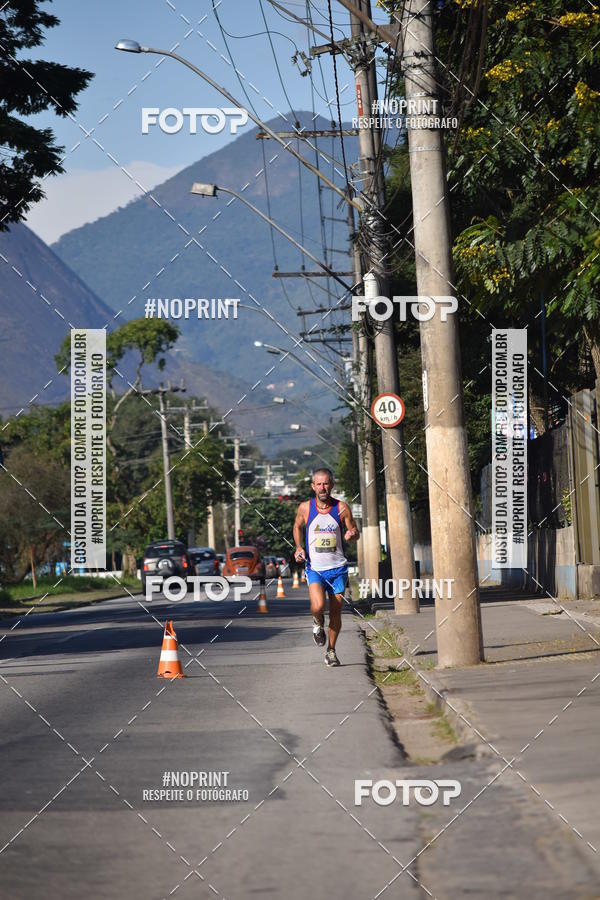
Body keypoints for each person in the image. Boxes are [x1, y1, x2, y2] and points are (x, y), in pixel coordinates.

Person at [293, 468, 359, 667]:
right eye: (319, 484)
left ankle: (331, 651)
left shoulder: (341, 508)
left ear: (332, 485)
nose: (323, 487)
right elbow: (297, 526)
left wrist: (352, 535)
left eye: (326, 483)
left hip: (338, 568)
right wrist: (298, 547)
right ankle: (317, 622)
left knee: (336, 613)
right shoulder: (305, 508)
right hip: (315, 568)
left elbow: (353, 530)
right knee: (318, 606)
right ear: (313, 486)